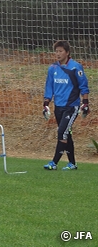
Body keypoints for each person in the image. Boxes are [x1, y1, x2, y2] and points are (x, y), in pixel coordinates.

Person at [42, 40, 90, 170]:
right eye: (56, 51)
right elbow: (49, 87)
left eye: (60, 51)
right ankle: (72, 164)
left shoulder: (75, 67)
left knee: (62, 132)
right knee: (66, 134)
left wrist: (85, 103)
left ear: (67, 53)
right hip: (58, 107)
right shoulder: (53, 68)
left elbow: (83, 86)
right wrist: (46, 104)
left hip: (71, 107)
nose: (57, 54)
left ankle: (54, 163)